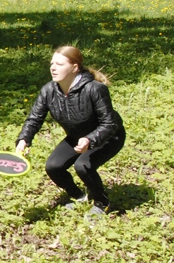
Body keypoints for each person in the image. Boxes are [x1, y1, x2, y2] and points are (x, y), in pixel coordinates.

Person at [16, 46, 125, 216]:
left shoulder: (94, 89)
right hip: (76, 137)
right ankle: (79, 197)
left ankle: (101, 202)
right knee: (53, 167)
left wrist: (90, 140)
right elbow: (34, 118)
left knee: (83, 165)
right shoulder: (48, 90)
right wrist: (24, 139)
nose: (53, 67)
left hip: (108, 137)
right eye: (52, 63)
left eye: (59, 64)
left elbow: (109, 123)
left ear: (74, 67)